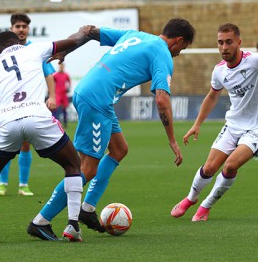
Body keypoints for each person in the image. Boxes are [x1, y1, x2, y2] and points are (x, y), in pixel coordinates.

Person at [27, 18, 195, 237]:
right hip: (97, 99)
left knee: (119, 149)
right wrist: (172, 139)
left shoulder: (136, 35)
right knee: (87, 168)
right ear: (179, 40)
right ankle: (41, 220)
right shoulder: (162, 53)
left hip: (93, 95)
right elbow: (162, 100)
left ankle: (87, 209)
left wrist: (67, 49)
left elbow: (87, 30)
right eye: (183, 48)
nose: (179, 53)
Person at [0, 27, 95, 242]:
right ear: (17, 42)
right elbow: (71, 41)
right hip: (37, 116)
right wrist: (84, 32)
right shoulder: (33, 50)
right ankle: (72, 225)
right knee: (72, 165)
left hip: (6, 122)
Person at [170, 22, 258, 222]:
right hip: (233, 125)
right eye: (220, 42)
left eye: (229, 42)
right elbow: (212, 96)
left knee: (229, 166)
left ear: (239, 42)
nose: (224, 47)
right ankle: (190, 199)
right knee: (209, 168)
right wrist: (197, 124)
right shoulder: (219, 71)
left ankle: (205, 206)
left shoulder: (256, 61)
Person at [0, 13, 57, 197]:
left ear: (28, 29)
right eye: (17, 26)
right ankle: (3, 184)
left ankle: (23, 185)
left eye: (24, 26)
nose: (21, 29)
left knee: (25, 145)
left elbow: (48, 74)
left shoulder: (35, 50)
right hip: (7, 105)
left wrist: (52, 96)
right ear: (12, 29)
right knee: (4, 144)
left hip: (29, 104)